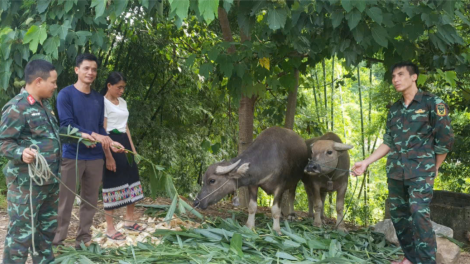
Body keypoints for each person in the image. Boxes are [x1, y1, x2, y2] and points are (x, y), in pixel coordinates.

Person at [352, 62, 454, 264]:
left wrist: (435, 168)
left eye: (400, 74)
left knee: (418, 213)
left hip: (421, 172)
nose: (395, 79)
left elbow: (445, 141)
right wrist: (366, 162)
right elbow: (389, 142)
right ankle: (411, 257)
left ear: (414, 77)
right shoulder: (395, 110)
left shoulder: (433, 103)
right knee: (399, 217)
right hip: (396, 172)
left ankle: (426, 261)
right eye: (393, 76)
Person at [0, 60, 95, 263]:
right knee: (21, 234)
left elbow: (52, 137)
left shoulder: (45, 105)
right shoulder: (17, 107)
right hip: (27, 185)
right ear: (39, 81)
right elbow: (4, 142)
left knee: (46, 232)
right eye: (53, 82)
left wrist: (80, 136)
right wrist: (20, 152)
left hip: (49, 182)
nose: (55, 86)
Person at [53, 54, 124, 248]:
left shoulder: (98, 99)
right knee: (65, 202)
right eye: (86, 68)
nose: (90, 72)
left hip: (95, 157)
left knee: (90, 201)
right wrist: (92, 135)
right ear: (77, 70)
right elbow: (66, 126)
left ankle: (83, 241)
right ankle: (57, 242)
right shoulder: (65, 94)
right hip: (72, 155)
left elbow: (100, 128)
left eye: (93, 69)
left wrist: (109, 142)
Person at [101, 72, 145, 240]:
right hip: (111, 141)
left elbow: (126, 127)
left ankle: (129, 220)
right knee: (113, 181)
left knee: (132, 178)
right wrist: (108, 155)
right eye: (118, 87)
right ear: (109, 86)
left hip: (124, 141)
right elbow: (103, 130)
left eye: (123, 88)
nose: (121, 91)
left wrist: (133, 150)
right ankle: (110, 227)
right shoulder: (102, 103)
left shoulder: (123, 102)